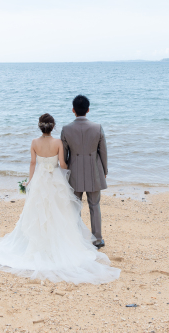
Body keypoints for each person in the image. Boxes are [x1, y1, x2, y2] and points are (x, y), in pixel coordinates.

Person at [0, 113, 119, 284]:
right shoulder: (57, 143)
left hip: (40, 179)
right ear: (53, 126)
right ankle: (70, 241)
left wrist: (29, 181)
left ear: (40, 127)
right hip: (54, 179)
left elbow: (33, 163)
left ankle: (40, 243)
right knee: (59, 210)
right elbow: (62, 164)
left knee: (39, 210)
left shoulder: (34, 142)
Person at [60, 95, 108, 248]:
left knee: (75, 207)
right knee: (95, 205)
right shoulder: (97, 127)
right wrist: (104, 170)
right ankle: (98, 239)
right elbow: (103, 152)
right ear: (88, 110)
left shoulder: (66, 129)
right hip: (94, 171)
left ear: (73, 110)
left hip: (74, 173)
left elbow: (64, 155)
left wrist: (64, 174)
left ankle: (77, 239)